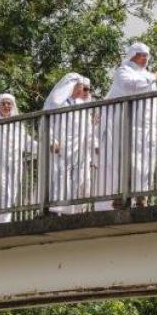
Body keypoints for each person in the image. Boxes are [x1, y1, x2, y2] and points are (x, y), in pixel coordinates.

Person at [96, 43, 157, 209]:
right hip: (126, 125)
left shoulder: (147, 75)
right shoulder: (123, 71)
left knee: (145, 162)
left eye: (147, 56)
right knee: (125, 160)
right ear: (133, 55)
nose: (145, 59)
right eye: (141, 55)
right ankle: (121, 195)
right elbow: (130, 86)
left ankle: (141, 196)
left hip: (146, 126)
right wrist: (154, 77)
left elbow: (154, 102)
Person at [0, 93, 38, 223]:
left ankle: (4, 223)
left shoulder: (17, 125)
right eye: (3, 103)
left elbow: (27, 143)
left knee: (10, 196)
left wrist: (43, 147)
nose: (6, 106)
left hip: (14, 167)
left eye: (9, 104)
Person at [43, 72, 96, 214]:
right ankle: (55, 211)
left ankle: (76, 211)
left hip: (80, 150)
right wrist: (52, 141)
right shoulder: (57, 103)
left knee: (80, 180)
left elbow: (88, 130)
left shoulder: (81, 105)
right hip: (61, 148)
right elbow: (48, 124)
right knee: (60, 179)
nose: (84, 91)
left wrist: (93, 149)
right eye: (82, 87)